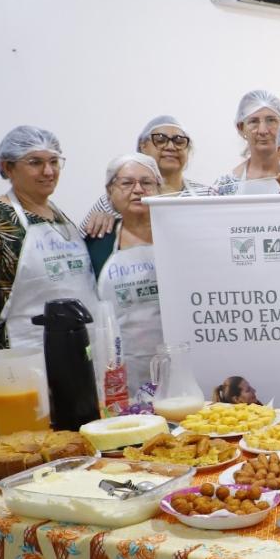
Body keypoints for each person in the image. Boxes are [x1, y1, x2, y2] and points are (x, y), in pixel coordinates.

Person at [0, 126, 100, 361]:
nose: (48, 171)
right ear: (7, 167)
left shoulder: (58, 217)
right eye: (35, 162)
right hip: (25, 355)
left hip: (82, 350)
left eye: (54, 161)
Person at [86, 154, 167, 395]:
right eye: (126, 183)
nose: (138, 190)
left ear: (159, 189)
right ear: (110, 192)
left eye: (147, 182)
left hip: (178, 357)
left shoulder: (177, 233)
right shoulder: (97, 243)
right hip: (120, 366)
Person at [82, 115, 211, 235]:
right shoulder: (114, 200)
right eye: (160, 139)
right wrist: (99, 220)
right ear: (143, 146)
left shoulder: (207, 195)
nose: (171, 146)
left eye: (179, 141)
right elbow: (81, 246)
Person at [211, 89, 280, 195]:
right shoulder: (225, 187)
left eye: (271, 120)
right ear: (241, 127)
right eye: (253, 121)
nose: (263, 130)